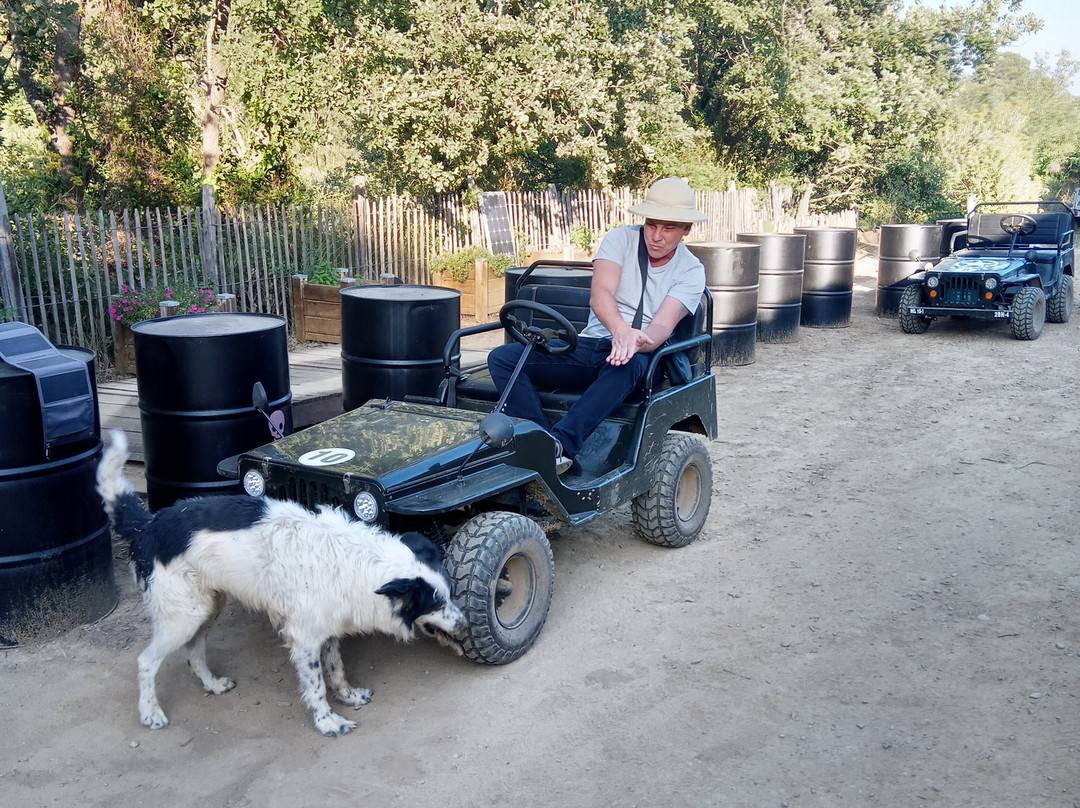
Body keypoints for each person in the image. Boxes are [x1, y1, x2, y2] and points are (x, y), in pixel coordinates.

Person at [487, 176, 707, 473]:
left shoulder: (691, 271)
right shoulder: (621, 239)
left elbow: (661, 328)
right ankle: (541, 441)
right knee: (503, 358)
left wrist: (632, 340)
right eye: (652, 225)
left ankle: (562, 444)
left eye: (668, 228)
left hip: (641, 355)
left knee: (628, 364)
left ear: (686, 230)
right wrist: (619, 331)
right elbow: (600, 294)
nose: (657, 235)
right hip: (595, 342)